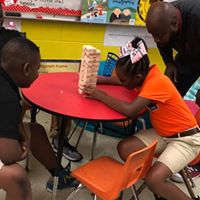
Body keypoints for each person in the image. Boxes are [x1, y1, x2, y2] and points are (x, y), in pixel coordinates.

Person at [82, 37, 200, 200]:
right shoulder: (143, 76)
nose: (121, 82)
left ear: (137, 77)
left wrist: (100, 95)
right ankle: (157, 184)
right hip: (164, 134)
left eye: (124, 80)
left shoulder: (157, 82)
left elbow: (130, 111)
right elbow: (119, 79)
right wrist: (98, 80)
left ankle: (157, 183)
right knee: (125, 148)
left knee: (154, 179)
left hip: (186, 139)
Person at [0, 37, 79, 199]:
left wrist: (23, 137)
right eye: (37, 69)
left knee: (35, 131)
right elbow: (8, 156)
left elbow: (10, 121)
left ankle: (59, 175)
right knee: (17, 177)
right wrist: (22, 149)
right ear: (27, 69)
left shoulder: (6, 77)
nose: (38, 75)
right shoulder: (7, 99)